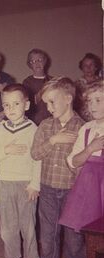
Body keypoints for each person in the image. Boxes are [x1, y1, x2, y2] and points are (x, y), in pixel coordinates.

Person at [26, 77, 86, 258]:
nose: (49, 108)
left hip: (73, 190)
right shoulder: (45, 126)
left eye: (52, 102)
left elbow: (84, 161)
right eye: (46, 104)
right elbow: (34, 153)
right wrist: (53, 141)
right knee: (48, 233)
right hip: (48, 187)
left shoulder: (82, 127)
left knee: (74, 235)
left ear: (68, 98)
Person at [0, 84, 41, 258]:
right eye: (6, 105)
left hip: (26, 183)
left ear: (26, 105)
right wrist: (6, 150)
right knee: (8, 226)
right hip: (5, 183)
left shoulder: (33, 129)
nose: (11, 109)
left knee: (27, 225)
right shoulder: (1, 129)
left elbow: (38, 159)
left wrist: (35, 184)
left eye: (16, 104)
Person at [59, 80, 104, 233]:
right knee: (93, 232)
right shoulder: (86, 128)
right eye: (90, 101)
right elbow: (73, 162)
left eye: (98, 100)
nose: (93, 105)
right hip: (89, 188)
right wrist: (90, 148)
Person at [23, 48, 52, 124]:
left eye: (40, 60)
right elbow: (29, 104)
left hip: (52, 120)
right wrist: (45, 89)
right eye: (33, 61)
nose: (37, 63)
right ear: (30, 65)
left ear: (45, 62)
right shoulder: (27, 82)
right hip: (35, 122)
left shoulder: (53, 80)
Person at [76, 53, 102, 122]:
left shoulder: (102, 84)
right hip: (82, 121)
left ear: (96, 67)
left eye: (91, 65)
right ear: (82, 68)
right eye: (85, 65)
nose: (88, 68)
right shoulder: (76, 85)